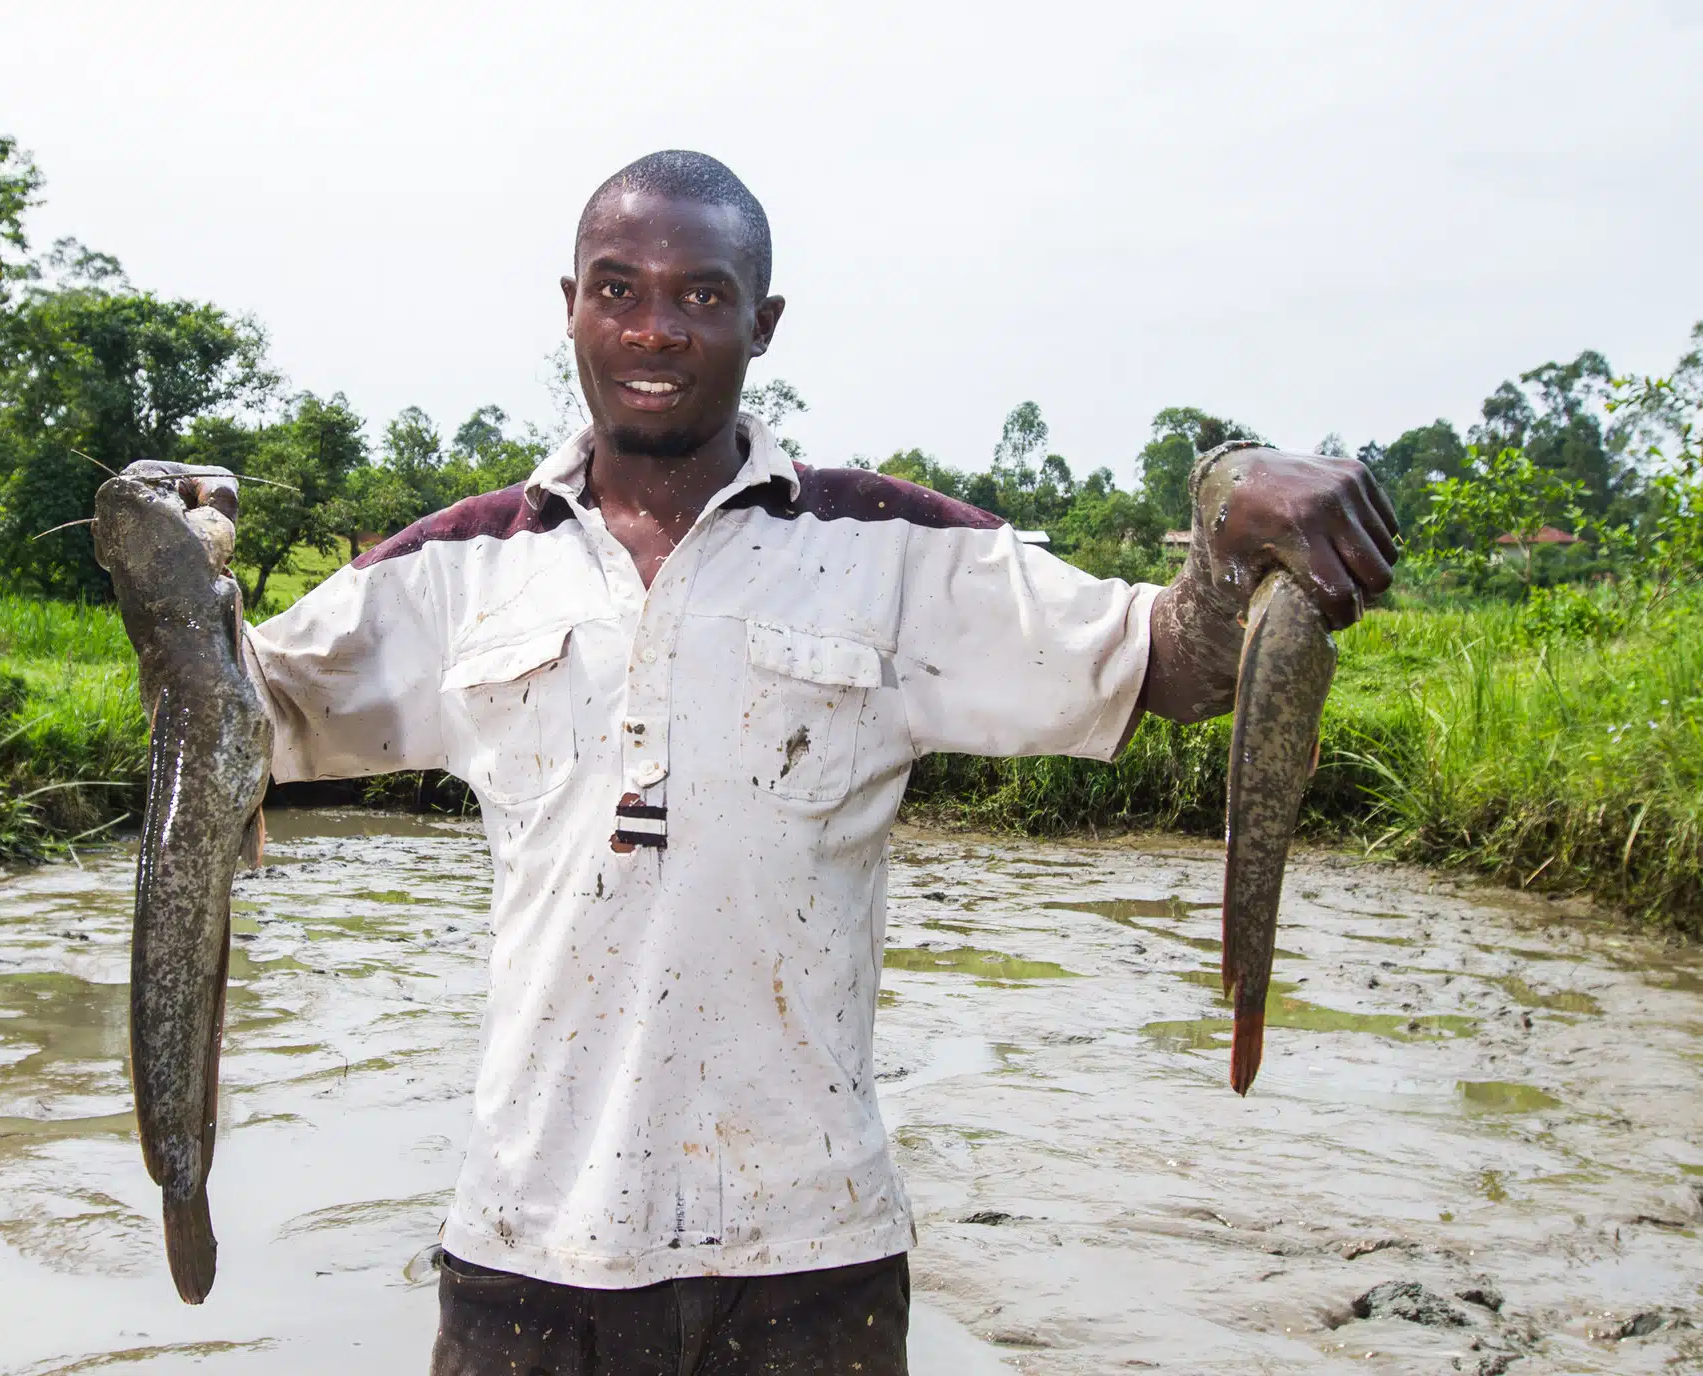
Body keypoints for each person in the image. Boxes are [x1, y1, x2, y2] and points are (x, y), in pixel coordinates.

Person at [120, 151, 1400, 1375]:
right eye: (617, 289)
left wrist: (1229, 516)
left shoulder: (891, 550)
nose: (655, 327)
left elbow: (1163, 659)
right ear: (569, 309)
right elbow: (239, 723)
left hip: (811, 1255)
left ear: (763, 319)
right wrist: (173, 566)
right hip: (523, 1246)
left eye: (701, 294)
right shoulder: (455, 567)